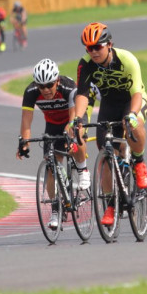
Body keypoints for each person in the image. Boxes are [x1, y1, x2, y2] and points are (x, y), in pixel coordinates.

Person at [73, 22, 147, 226]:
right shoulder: (85, 64)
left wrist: (132, 114)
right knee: (105, 154)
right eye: (89, 48)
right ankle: (110, 204)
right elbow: (82, 94)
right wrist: (79, 118)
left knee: (132, 126)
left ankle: (139, 162)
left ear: (109, 44)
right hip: (109, 104)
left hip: (132, 101)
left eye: (98, 47)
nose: (94, 52)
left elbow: (136, 94)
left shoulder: (127, 59)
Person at [17, 59, 92, 229]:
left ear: (57, 81)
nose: (45, 90)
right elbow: (26, 121)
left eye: (49, 85)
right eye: (41, 86)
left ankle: (82, 170)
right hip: (52, 124)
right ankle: (56, 209)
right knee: (51, 166)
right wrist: (24, 143)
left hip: (72, 120)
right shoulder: (30, 92)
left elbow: (73, 118)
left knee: (76, 138)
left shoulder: (68, 88)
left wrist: (70, 134)